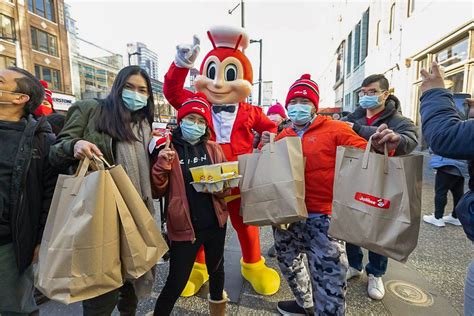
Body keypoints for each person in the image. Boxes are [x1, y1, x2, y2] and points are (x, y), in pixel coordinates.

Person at [263, 74, 401, 315]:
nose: (298, 107)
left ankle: (328, 309)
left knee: (330, 276)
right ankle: (304, 302)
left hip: (323, 216)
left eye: (304, 102)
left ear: (315, 106)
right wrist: (265, 148)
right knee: (288, 261)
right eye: (293, 102)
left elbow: (365, 156)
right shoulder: (283, 136)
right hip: (288, 216)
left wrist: (380, 148)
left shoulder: (335, 129)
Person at [163, 26, 280, 296]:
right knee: (202, 223)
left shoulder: (251, 111)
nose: (218, 84)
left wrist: (265, 140)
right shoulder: (197, 103)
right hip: (203, 179)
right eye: (212, 73)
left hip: (239, 181)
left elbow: (272, 128)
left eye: (229, 75)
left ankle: (253, 265)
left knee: (246, 225)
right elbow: (172, 92)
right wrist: (182, 64)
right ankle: (199, 268)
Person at [49, 65, 156, 316]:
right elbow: (56, 151)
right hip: (101, 212)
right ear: (117, 87)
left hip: (137, 211)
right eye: (129, 87)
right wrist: (75, 144)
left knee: (132, 280)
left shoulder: (144, 124)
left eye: (142, 90)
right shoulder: (90, 110)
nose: (135, 93)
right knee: (101, 289)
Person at [342, 74, 418, 300]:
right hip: (355, 177)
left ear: (386, 94)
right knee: (351, 220)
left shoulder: (399, 121)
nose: (366, 96)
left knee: (379, 225)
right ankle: (354, 265)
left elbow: (409, 141)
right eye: (363, 92)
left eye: (372, 92)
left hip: (384, 182)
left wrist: (357, 129)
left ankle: (375, 272)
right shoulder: (352, 116)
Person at [152, 94, 230, 316]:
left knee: (217, 271)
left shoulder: (214, 149)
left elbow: (225, 187)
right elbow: (157, 190)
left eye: (201, 121)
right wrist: (161, 166)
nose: (195, 125)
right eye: (191, 119)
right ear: (181, 120)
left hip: (215, 223)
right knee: (176, 281)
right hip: (184, 227)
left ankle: (218, 312)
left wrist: (222, 185)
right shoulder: (168, 149)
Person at [418, 61, 474, 316]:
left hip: (446, 167)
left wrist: (434, 93)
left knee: (445, 192)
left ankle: (440, 217)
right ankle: (448, 216)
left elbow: (444, 136)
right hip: (454, 169)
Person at [0, 67, 57, 315]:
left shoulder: (41, 140)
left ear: (19, 98)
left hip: (10, 243)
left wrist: (39, 241)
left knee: (17, 308)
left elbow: (49, 194)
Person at [424, 153, 467, 227]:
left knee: (441, 192)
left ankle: (438, 217)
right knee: (458, 193)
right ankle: (456, 216)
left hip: (445, 164)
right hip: (462, 166)